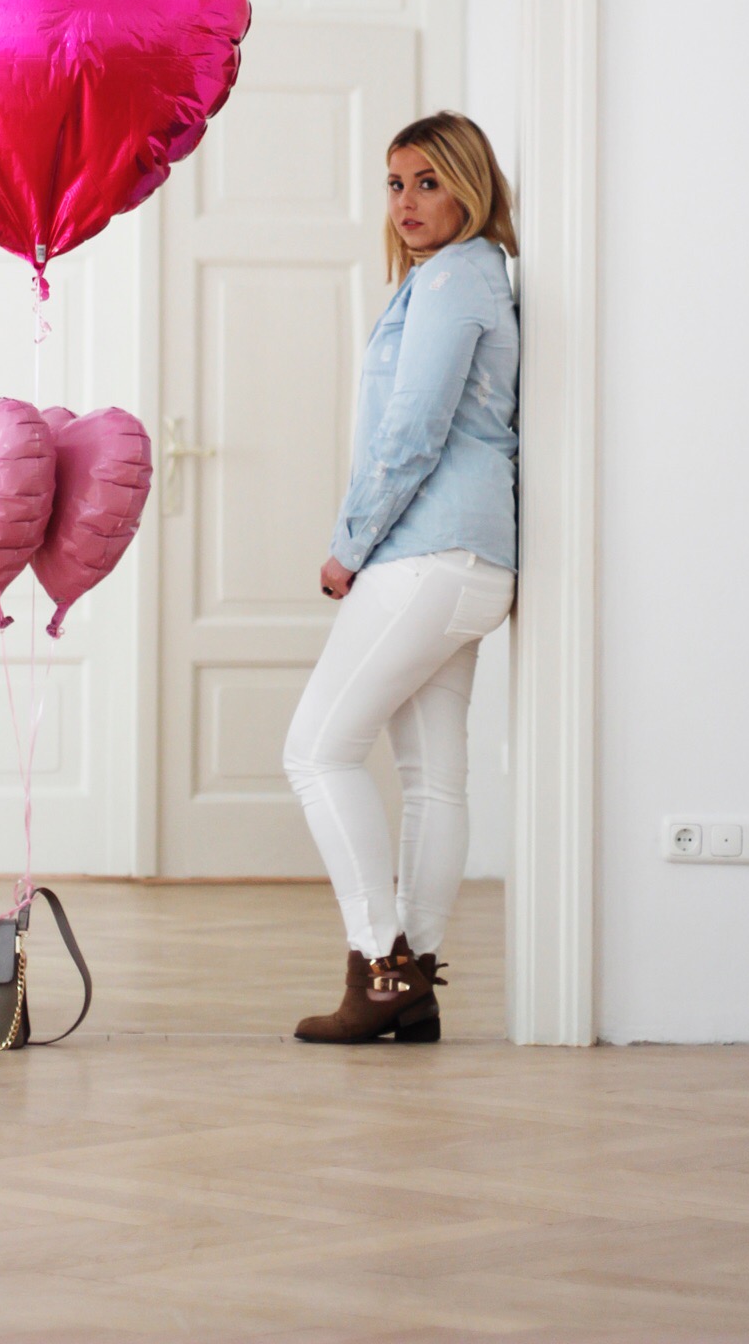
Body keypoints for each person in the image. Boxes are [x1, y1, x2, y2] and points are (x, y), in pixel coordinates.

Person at [283, 111, 519, 1045]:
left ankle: (379, 964)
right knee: (432, 779)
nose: (407, 202)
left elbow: (412, 431)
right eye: (395, 183)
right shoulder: (475, 275)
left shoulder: (456, 277)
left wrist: (349, 545)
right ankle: (411, 983)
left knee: (316, 752)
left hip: (427, 555)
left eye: (429, 181)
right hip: (473, 563)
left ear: (471, 185)